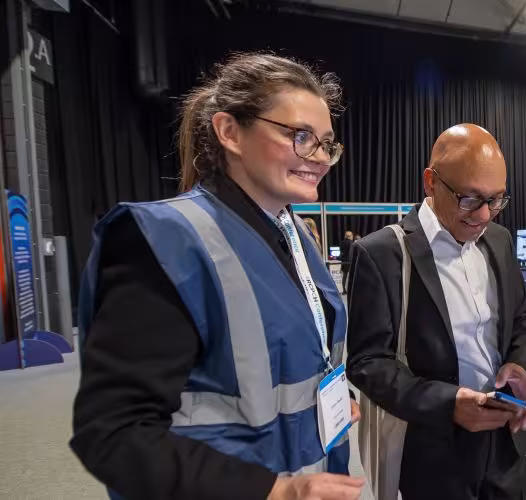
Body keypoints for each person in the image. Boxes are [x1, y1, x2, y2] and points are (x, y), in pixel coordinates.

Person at [71, 53, 364, 500]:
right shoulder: (164, 242)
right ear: (230, 132)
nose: (320, 158)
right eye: (301, 136)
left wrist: (326, 405)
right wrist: (271, 491)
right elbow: (114, 433)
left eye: (327, 144)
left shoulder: (295, 236)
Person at [347, 124, 526, 499]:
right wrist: (448, 403)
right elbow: (368, 363)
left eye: (496, 200)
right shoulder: (382, 253)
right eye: (470, 199)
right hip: (433, 451)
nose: (485, 215)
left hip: (506, 441)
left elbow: (522, 320)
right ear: (431, 182)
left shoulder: (498, 241)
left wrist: (520, 366)